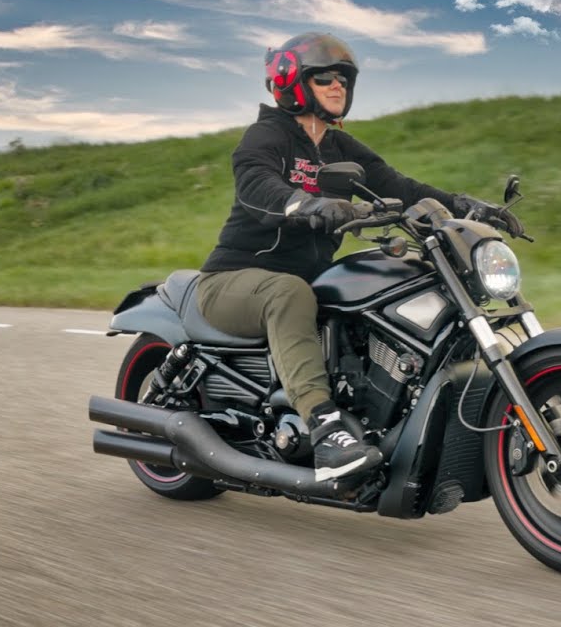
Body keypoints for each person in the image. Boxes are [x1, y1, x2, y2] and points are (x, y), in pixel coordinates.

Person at [195, 31, 516, 482]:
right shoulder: (265, 136)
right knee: (287, 293)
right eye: (323, 76)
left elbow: (402, 188)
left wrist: (469, 207)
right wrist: (306, 204)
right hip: (235, 280)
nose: (337, 85)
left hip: (310, 282)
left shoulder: (341, 147)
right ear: (291, 81)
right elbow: (257, 187)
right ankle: (326, 430)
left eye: (343, 78)